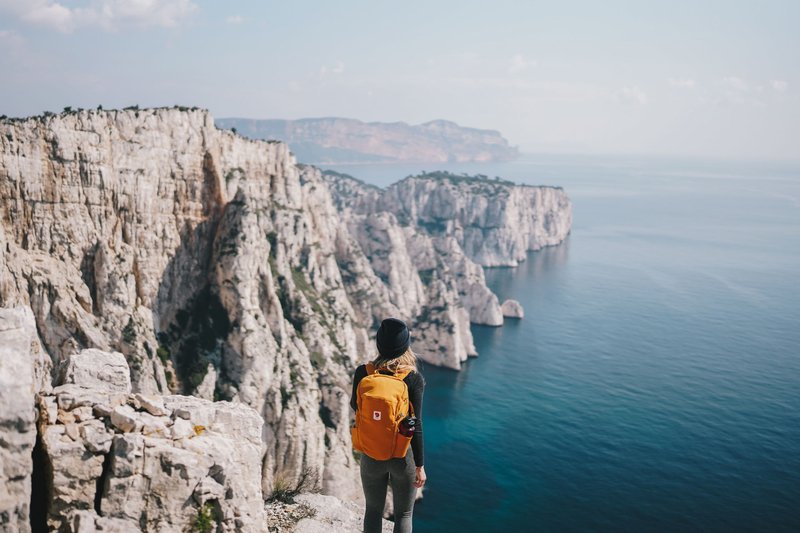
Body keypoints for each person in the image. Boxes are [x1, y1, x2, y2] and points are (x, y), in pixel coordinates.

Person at [351, 318, 426, 533]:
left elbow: (355, 406)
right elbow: (416, 425)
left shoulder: (363, 373)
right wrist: (420, 466)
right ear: (406, 346)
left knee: (373, 510)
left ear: (379, 344)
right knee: (404, 513)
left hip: (372, 454)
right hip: (404, 456)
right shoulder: (413, 379)